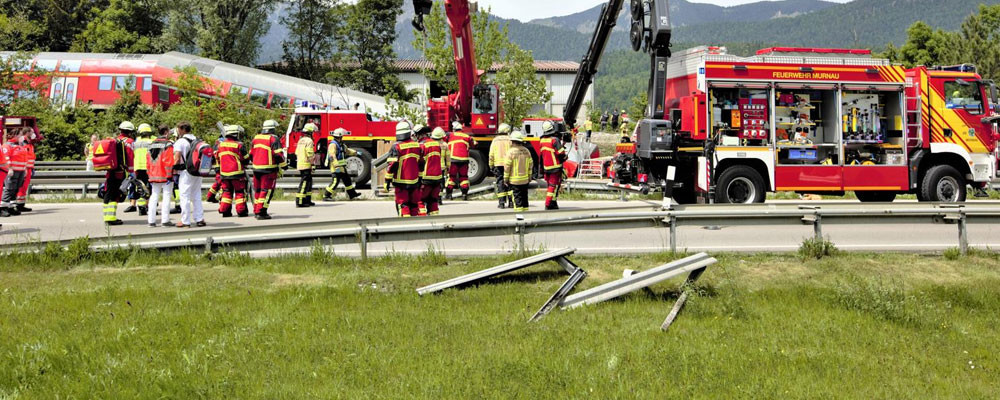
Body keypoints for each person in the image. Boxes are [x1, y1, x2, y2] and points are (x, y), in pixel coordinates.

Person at [99, 122, 135, 225]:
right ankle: (111, 218)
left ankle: (107, 217)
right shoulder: (129, 142)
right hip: (120, 172)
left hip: (110, 171)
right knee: (115, 194)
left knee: (108, 193)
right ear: (130, 131)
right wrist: (131, 172)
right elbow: (130, 157)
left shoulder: (113, 140)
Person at [385, 121, 423, 217]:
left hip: (400, 182)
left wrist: (387, 181)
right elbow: (422, 163)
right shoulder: (417, 145)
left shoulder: (396, 146)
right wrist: (420, 178)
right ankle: (415, 226)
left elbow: (392, 165)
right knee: (414, 205)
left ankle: (405, 225)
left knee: (403, 205)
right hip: (415, 181)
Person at [250, 120, 286, 220]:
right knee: (267, 191)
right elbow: (278, 155)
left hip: (256, 168)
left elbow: (251, 154)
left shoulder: (256, 138)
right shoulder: (273, 138)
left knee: (258, 190)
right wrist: (284, 165)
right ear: (273, 128)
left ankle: (256, 209)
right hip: (269, 170)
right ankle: (261, 212)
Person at [173, 121, 206, 228]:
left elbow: (177, 158)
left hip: (186, 172)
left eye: (178, 129)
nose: (177, 131)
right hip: (197, 171)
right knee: (197, 195)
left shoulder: (180, 142)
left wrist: (172, 168)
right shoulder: (197, 140)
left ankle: (185, 221)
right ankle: (199, 219)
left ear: (182, 129)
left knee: (184, 196)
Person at [217, 124, 250, 217]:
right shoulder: (239, 145)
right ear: (236, 134)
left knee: (226, 192)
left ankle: (225, 211)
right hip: (237, 173)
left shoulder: (221, 145)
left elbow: (218, 158)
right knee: (239, 193)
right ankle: (241, 211)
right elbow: (245, 158)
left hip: (224, 173)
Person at [146, 125, 175, 227]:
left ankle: (151, 221)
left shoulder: (151, 144)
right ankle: (165, 220)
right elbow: (169, 162)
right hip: (164, 175)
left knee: (154, 196)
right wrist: (169, 175)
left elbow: (148, 161)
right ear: (166, 132)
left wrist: (149, 173)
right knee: (166, 196)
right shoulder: (168, 144)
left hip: (153, 175)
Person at [323, 128, 361, 202]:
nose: (342, 137)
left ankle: (352, 194)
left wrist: (355, 152)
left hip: (341, 166)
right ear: (339, 136)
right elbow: (332, 156)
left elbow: (347, 151)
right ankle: (326, 195)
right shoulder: (333, 144)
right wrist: (336, 166)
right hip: (335, 166)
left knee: (347, 180)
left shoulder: (341, 144)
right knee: (335, 181)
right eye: (342, 136)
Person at [418, 126, 446, 216]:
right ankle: (434, 222)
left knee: (420, 200)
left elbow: (419, 163)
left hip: (425, 178)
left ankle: (421, 222)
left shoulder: (422, 145)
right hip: (437, 177)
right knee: (433, 202)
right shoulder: (436, 145)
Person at [539, 120, 566, 210]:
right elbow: (561, 153)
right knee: (553, 186)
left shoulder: (542, 140)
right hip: (555, 167)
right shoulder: (554, 140)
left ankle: (553, 203)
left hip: (546, 168)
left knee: (553, 185)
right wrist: (565, 156)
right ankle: (547, 204)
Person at [0, 129, 27, 218]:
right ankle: (3, 208)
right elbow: (6, 158)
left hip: (20, 170)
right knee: (9, 189)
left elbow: (24, 158)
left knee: (15, 189)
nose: (21, 137)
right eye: (20, 135)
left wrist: (25, 168)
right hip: (12, 171)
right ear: (14, 135)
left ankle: (11, 207)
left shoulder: (20, 145)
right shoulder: (7, 145)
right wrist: (10, 169)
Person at [446, 121, 475, 201]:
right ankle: (464, 194)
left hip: (453, 159)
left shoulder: (450, 135)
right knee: (464, 177)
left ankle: (449, 195)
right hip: (464, 160)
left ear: (454, 129)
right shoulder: (467, 136)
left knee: (452, 177)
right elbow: (473, 145)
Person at [128, 123, 154, 215]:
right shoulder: (153, 140)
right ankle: (145, 206)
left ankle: (141, 205)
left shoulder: (136, 141)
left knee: (140, 187)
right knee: (149, 187)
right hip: (149, 167)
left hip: (138, 167)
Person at [505, 130, 533, 213]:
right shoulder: (527, 151)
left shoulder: (510, 152)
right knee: (525, 199)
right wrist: (530, 176)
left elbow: (507, 167)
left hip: (514, 181)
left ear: (512, 141)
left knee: (517, 200)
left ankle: (519, 218)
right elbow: (530, 164)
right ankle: (526, 216)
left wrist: (505, 179)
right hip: (525, 180)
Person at [488, 123, 513, 209]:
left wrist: (491, 165)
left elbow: (491, 154)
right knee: (510, 182)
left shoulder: (495, 140)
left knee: (500, 182)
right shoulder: (510, 139)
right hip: (509, 164)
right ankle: (511, 203)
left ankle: (501, 203)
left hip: (498, 164)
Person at [295, 122, 317, 207]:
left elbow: (296, 152)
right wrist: (313, 165)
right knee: (304, 183)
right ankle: (300, 201)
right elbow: (310, 154)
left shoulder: (301, 140)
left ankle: (307, 200)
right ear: (311, 132)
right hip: (306, 164)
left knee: (308, 182)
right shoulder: (309, 141)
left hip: (300, 163)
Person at [206, 131, 226, 204]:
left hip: (216, 165)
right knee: (222, 182)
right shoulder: (223, 142)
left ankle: (210, 196)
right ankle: (220, 197)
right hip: (221, 165)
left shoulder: (217, 142)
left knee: (218, 182)